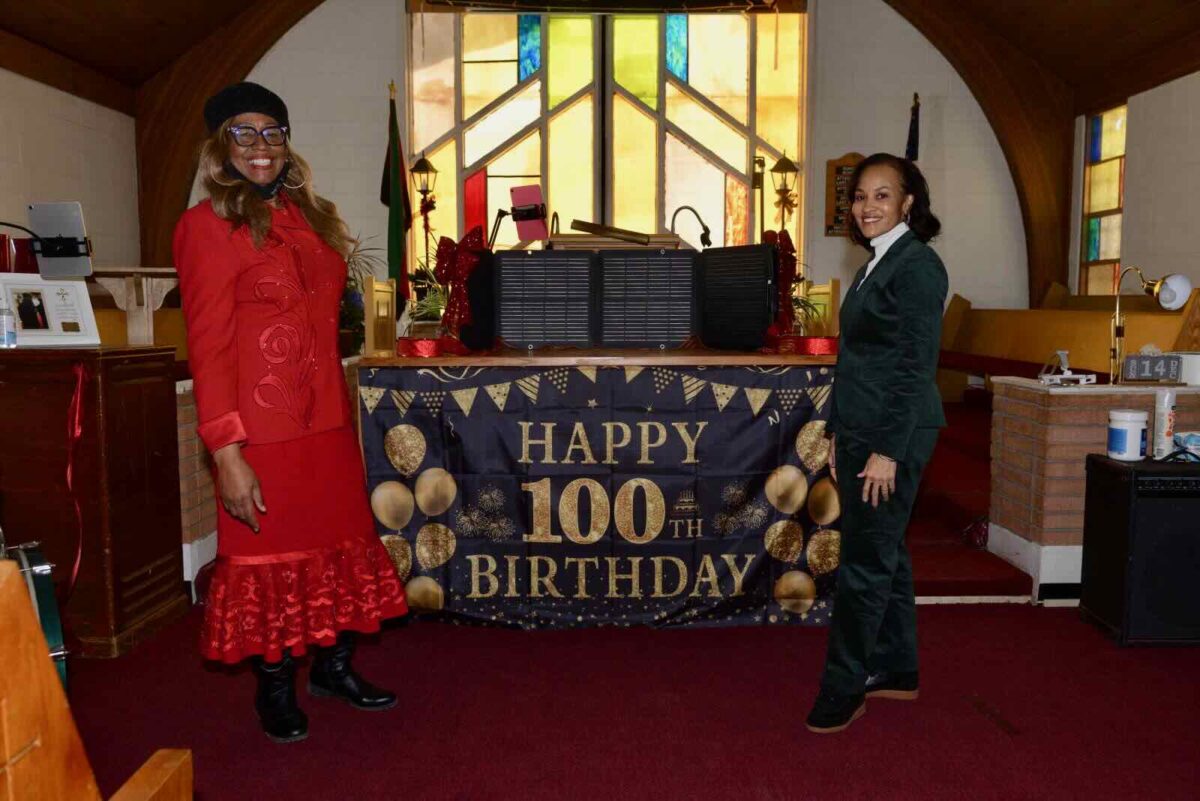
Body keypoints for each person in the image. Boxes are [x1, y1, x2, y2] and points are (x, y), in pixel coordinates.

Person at [174, 82, 408, 744]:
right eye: (243, 133)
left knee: (340, 549)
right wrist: (225, 450)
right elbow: (209, 345)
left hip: (326, 428)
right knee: (268, 563)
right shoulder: (204, 228)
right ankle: (275, 687)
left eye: (272, 132)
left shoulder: (314, 218)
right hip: (259, 435)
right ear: (220, 147)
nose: (260, 146)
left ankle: (334, 667)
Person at [805, 153, 947, 734]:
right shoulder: (878, 261)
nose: (867, 206)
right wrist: (840, 433)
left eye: (882, 196)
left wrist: (885, 450)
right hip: (864, 430)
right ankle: (896, 668)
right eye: (861, 196)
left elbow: (915, 366)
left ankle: (844, 688)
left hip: (897, 434)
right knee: (886, 551)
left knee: (864, 563)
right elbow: (857, 359)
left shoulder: (917, 266)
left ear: (908, 202)